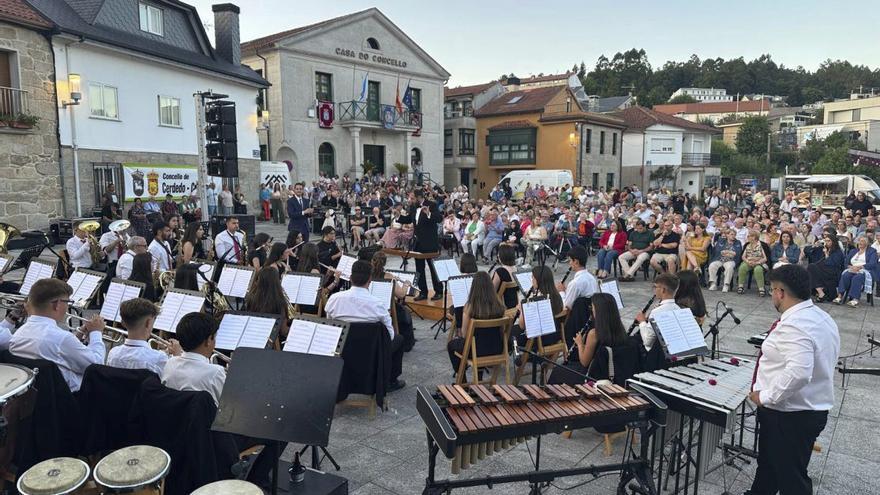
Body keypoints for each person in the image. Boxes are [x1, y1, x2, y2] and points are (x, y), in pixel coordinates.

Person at [747, 264, 839, 495]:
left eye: (771, 291)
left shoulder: (795, 325)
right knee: (769, 465)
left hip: (789, 414)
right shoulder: (821, 316)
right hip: (803, 410)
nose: (772, 296)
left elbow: (799, 373)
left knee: (792, 478)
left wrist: (766, 396)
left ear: (780, 292)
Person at [161, 312, 281, 487]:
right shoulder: (214, 372)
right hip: (215, 439)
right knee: (277, 430)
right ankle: (256, 480)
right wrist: (240, 379)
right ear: (208, 341)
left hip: (179, 431)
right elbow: (235, 410)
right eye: (214, 338)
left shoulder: (170, 363)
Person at [9, 278, 105, 392]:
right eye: (67, 302)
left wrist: (78, 335)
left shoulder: (19, 333)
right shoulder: (62, 339)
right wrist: (96, 333)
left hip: (36, 396)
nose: (67, 307)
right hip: (71, 399)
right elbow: (96, 367)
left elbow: (55, 348)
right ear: (57, 305)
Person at [324, 260, 405, 391]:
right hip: (371, 353)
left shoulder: (334, 299)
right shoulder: (378, 304)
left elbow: (330, 325)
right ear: (370, 280)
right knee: (399, 339)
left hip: (342, 350)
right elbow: (389, 337)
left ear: (350, 278)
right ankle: (390, 381)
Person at [446, 271, 507, 379]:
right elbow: (502, 331)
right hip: (496, 348)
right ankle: (479, 377)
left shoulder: (470, 307)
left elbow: (464, 335)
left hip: (475, 351)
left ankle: (462, 378)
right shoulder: (499, 306)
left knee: (451, 345)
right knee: (479, 341)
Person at [106, 298, 182, 375]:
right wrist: (177, 355)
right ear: (148, 323)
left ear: (123, 323)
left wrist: (164, 352)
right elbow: (174, 378)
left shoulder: (113, 353)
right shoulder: (158, 358)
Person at [567, 293, 636, 378]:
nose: (591, 311)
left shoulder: (594, 333)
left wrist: (580, 344)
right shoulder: (620, 329)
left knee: (557, 373)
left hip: (595, 376)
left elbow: (584, 362)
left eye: (592, 308)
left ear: (599, 311)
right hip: (613, 372)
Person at [409, 190, 444, 300]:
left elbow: (439, 218)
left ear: (419, 197)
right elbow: (409, 219)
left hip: (430, 243)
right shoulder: (413, 207)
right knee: (419, 269)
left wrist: (429, 213)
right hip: (418, 243)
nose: (411, 200)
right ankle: (423, 292)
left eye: (412, 198)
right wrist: (398, 216)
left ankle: (438, 291)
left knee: (433, 268)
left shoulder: (432, 205)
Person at [632, 273, 681, 351]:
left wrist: (642, 321)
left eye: (655, 287)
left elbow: (647, 341)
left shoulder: (657, 311)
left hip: (653, 353)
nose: (654, 290)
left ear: (663, 290)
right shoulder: (678, 309)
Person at [244, 267, 291, 340]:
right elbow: (283, 331)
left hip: (253, 337)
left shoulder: (251, 298)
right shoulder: (279, 302)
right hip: (273, 342)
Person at [834, 235, 878, 307]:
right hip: (852, 269)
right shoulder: (853, 251)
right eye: (859, 241)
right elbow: (846, 262)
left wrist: (860, 267)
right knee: (845, 275)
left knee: (857, 277)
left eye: (863, 241)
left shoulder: (872, 251)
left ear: (867, 243)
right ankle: (839, 296)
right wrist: (850, 267)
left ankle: (855, 299)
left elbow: (872, 263)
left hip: (865, 270)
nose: (860, 242)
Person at [556, 246, 598, 311]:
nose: (569, 263)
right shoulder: (592, 278)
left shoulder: (575, 283)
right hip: (589, 315)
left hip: (576, 318)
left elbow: (567, 306)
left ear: (576, 262)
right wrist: (566, 290)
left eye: (570, 260)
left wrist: (561, 292)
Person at [807, 232, 845, 302]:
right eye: (826, 241)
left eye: (829, 241)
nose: (827, 242)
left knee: (811, 267)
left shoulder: (838, 252)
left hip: (833, 272)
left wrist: (826, 254)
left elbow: (831, 264)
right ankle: (821, 292)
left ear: (833, 242)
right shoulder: (824, 249)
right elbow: (808, 251)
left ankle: (821, 293)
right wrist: (814, 246)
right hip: (824, 271)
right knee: (811, 268)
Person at [737, 230, 769, 296]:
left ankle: (761, 289)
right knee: (742, 267)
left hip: (759, 262)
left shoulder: (762, 245)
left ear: (755, 237)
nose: (748, 237)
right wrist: (747, 261)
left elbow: (765, 258)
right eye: (748, 236)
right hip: (748, 262)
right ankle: (740, 286)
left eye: (751, 236)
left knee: (758, 270)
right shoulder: (747, 245)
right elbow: (743, 256)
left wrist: (757, 262)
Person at [491, 244, 520, 310]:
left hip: (502, 306)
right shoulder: (517, 270)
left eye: (499, 254)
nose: (498, 256)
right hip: (514, 306)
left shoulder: (500, 271)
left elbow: (492, 290)